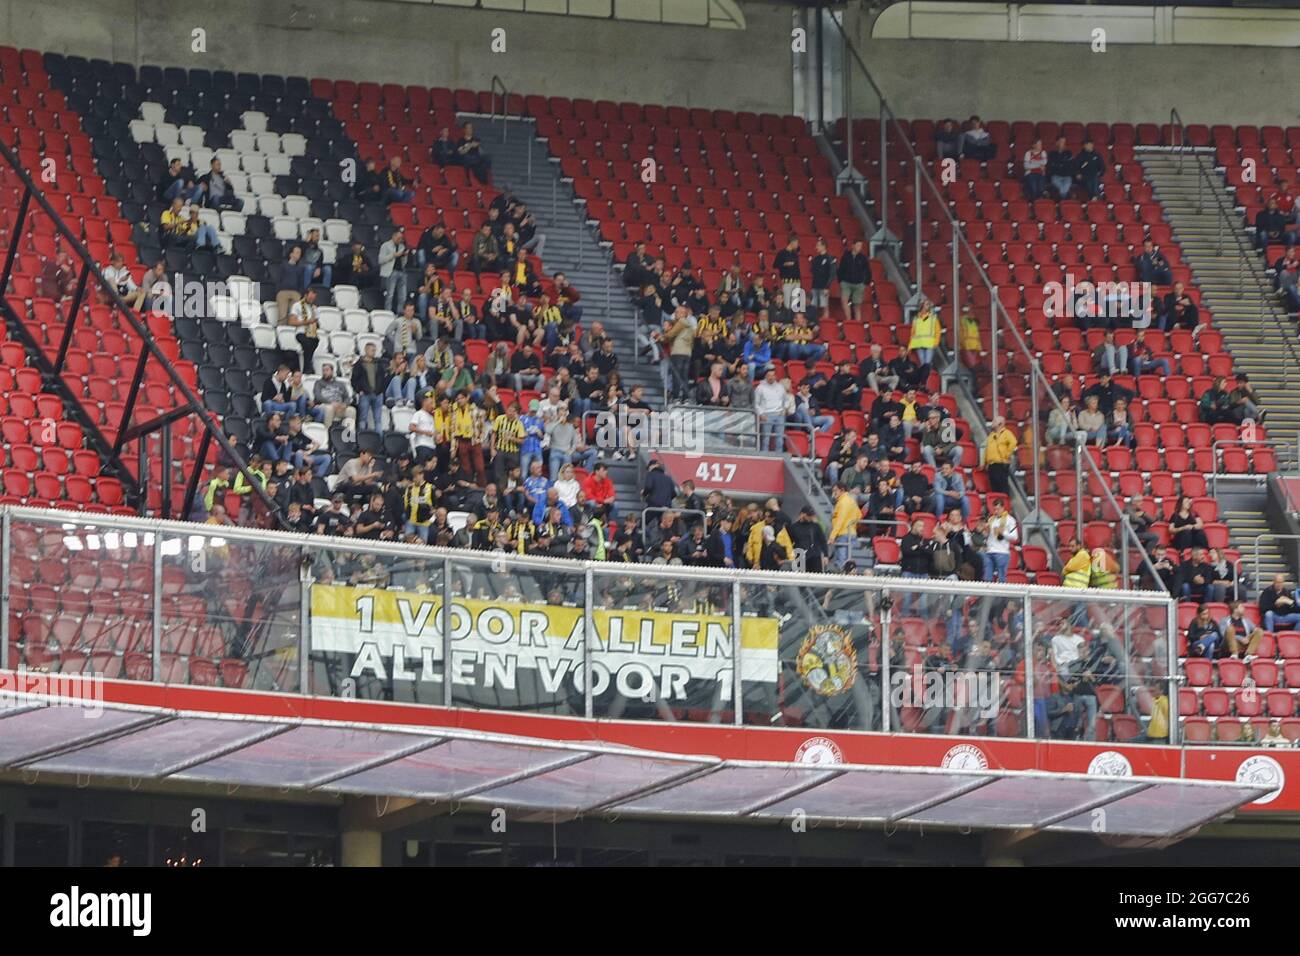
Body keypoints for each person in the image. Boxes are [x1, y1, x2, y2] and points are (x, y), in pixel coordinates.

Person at [351, 342, 388, 433]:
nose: (374, 352)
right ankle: (361, 439)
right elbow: (354, 380)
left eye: (375, 350)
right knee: (363, 419)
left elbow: (383, 378)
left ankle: (379, 439)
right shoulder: (359, 364)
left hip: (378, 394)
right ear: (366, 350)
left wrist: (381, 390)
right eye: (372, 350)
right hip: (365, 394)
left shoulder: (378, 363)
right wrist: (359, 390)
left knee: (378, 420)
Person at [836, 238, 870, 323]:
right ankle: (848, 320)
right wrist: (841, 280)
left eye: (861, 246)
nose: (860, 247)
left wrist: (865, 283)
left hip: (859, 284)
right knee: (844, 301)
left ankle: (857, 324)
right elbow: (841, 268)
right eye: (858, 245)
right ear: (853, 246)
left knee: (857, 306)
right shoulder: (846, 256)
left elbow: (867, 271)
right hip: (846, 282)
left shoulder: (863, 258)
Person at [829, 483, 862, 568]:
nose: (834, 493)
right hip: (852, 533)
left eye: (835, 490)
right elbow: (859, 515)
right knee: (848, 562)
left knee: (842, 562)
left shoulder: (843, 502)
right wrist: (853, 526)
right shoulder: (851, 500)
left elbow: (840, 520)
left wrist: (832, 536)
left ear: (842, 490)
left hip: (843, 534)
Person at [984, 497, 1017, 582]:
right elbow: (987, 536)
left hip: (1002, 552)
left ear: (1003, 508)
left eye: (998, 509)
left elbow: (1015, 536)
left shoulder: (1010, 520)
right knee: (987, 578)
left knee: (1002, 578)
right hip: (990, 551)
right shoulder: (991, 519)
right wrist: (986, 531)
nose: (996, 511)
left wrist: (1003, 533)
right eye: (994, 509)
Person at [984, 415, 1017, 496]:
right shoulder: (991, 435)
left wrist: (1007, 454)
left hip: (1001, 463)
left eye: (994, 421)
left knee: (1002, 486)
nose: (992, 423)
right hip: (991, 464)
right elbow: (987, 448)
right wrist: (985, 462)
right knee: (994, 486)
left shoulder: (1006, 433)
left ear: (1000, 424)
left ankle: (1004, 501)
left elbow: (1013, 442)